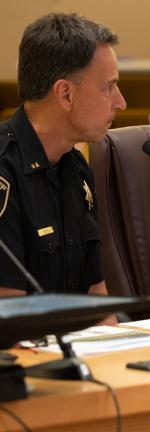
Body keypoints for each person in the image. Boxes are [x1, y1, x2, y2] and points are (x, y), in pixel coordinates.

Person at [0, 13, 126, 297]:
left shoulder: (76, 165)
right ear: (65, 94)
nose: (121, 102)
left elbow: (96, 296)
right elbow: (8, 313)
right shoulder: (4, 172)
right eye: (109, 87)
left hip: (72, 338)